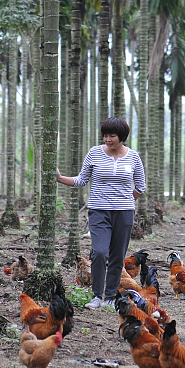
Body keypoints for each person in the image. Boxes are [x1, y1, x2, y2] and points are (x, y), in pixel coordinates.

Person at [56, 117, 146, 309]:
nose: (107, 139)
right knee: (99, 252)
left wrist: (126, 201)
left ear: (121, 136)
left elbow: (140, 186)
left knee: (117, 256)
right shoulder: (94, 153)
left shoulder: (133, 157)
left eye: (112, 136)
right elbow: (81, 180)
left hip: (124, 213)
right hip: (98, 211)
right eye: (105, 135)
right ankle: (97, 296)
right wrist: (60, 178)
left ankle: (110, 297)